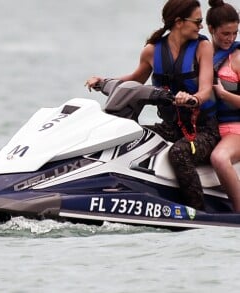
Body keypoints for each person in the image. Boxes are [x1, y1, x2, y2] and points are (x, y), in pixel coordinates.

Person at [85, 0, 220, 211]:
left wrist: (193, 99)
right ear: (178, 22)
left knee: (179, 153)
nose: (200, 26)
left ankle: (197, 211)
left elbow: (205, 89)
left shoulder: (203, 47)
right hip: (172, 127)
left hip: (204, 130)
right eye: (197, 21)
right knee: (128, 136)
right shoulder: (151, 51)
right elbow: (133, 81)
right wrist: (103, 81)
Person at [206, 0, 240, 212]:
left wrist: (224, 94)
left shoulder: (237, 57)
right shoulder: (201, 53)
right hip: (208, 130)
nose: (231, 38)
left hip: (236, 130)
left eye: (234, 33)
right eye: (225, 33)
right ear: (211, 29)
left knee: (219, 158)